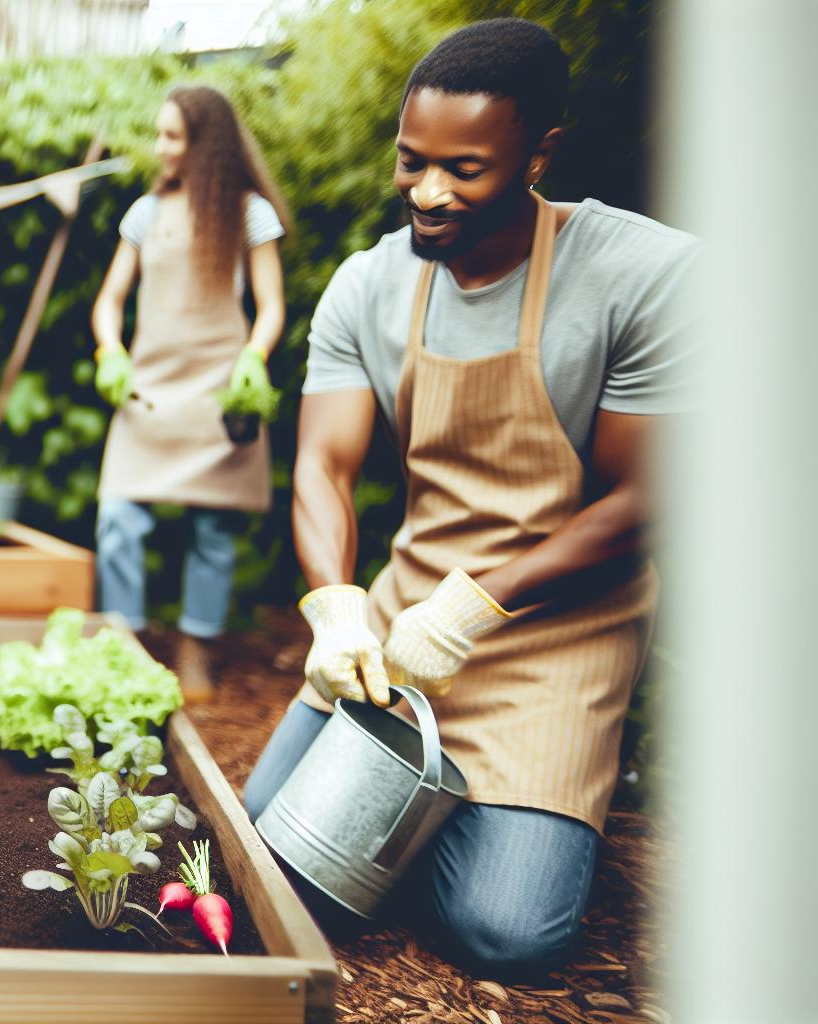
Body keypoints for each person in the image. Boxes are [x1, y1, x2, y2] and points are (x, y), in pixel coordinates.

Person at [242, 19, 695, 978]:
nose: (430, 192)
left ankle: (502, 827)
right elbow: (322, 465)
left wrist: (479, 602)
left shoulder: (640, 276)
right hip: (406, 626)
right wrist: (335, 606)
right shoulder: (369, 286)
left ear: (540, 154)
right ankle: (444, 818)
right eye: (412, 162)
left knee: (510, 934)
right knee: (269, 851)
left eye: (466, 168)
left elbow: (642, 502)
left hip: (561, 632)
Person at [89, 83, 290, 698]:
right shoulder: (145, 214)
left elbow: (272, 306)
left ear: (205, 141)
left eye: (172, 135)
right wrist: (111, 350)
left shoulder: (249, 211)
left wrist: (254, 359)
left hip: (215, 394)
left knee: (214, 530)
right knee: (118, 519)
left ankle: (196, 650)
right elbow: (109, 302)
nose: (161, 147)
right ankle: (125, 646)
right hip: (148, 393)